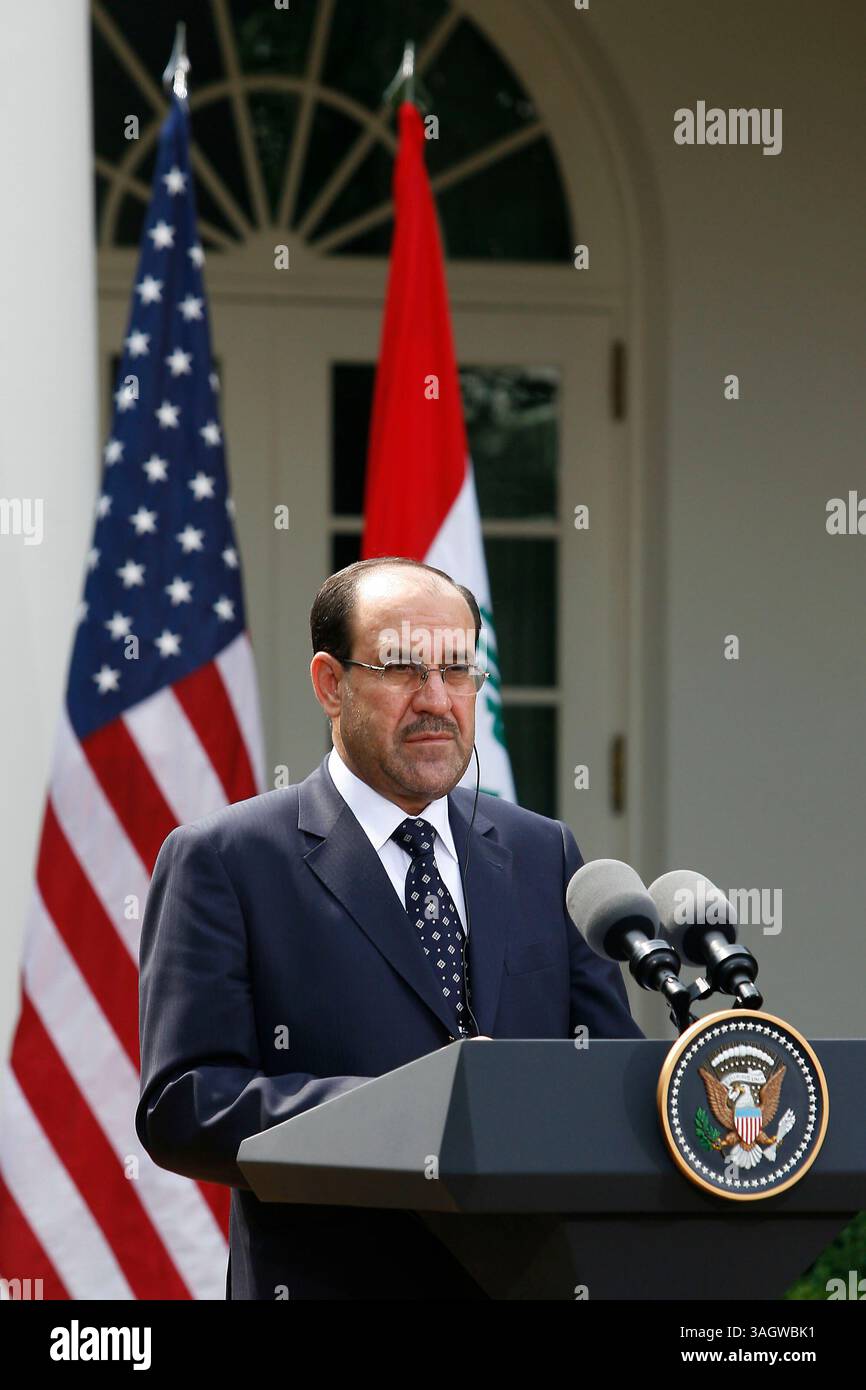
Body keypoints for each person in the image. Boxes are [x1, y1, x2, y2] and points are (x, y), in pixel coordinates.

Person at [136, 556, 643, 1300]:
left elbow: (608, 1073)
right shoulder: (225, 860)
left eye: (458, 670)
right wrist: (417, 1107)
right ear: (330, 684)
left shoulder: (545, 852)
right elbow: (184, 1105)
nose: (438, 700)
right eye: (404, 667)